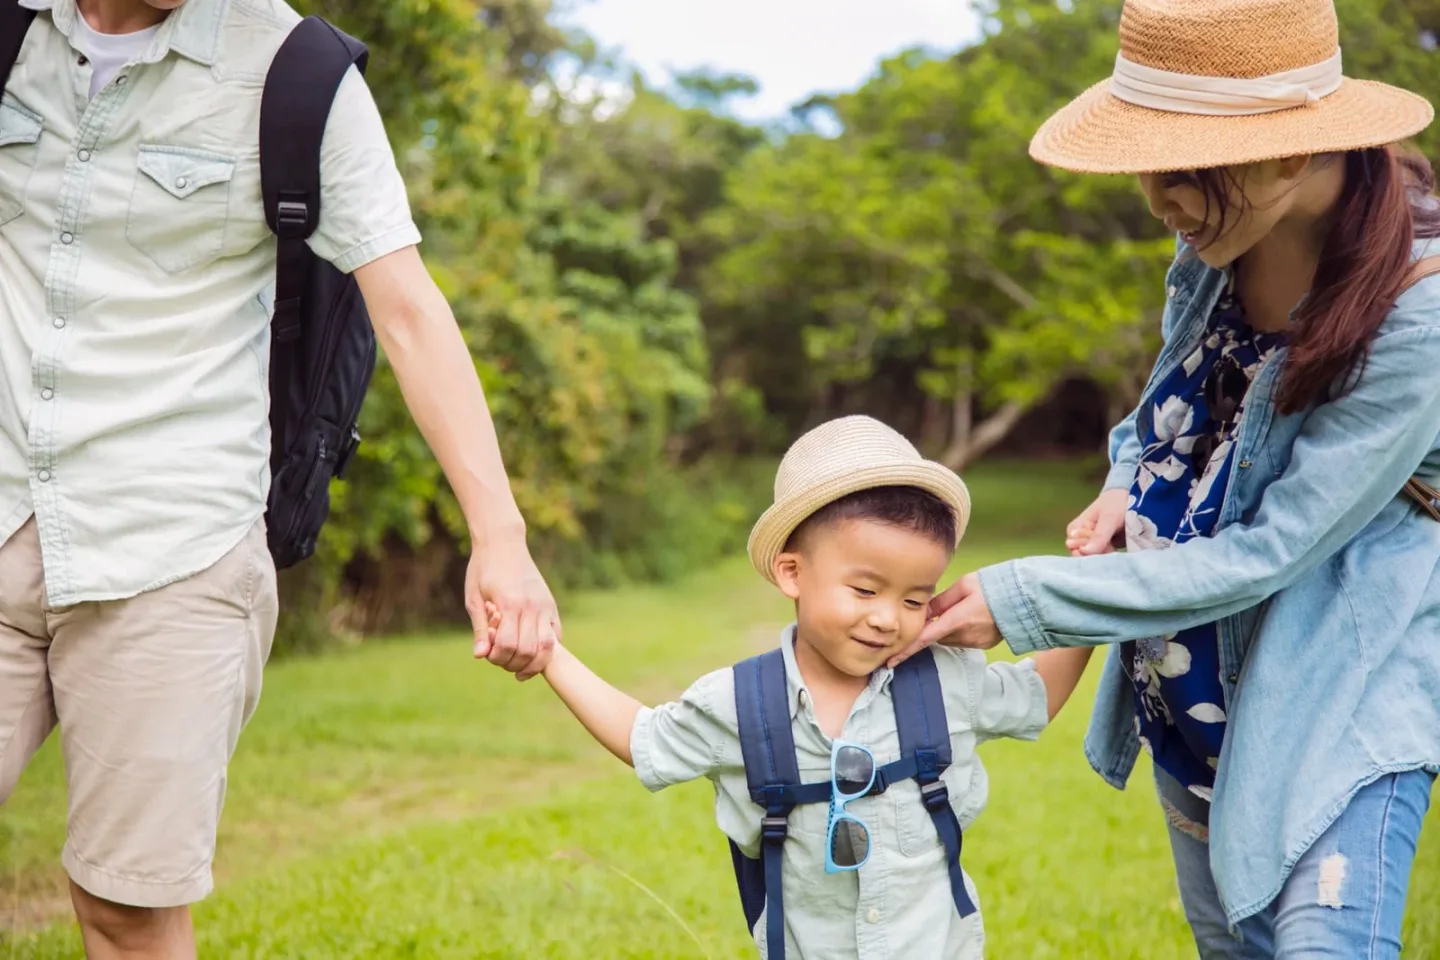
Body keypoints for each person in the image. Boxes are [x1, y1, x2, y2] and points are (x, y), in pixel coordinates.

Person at [0, 0, 559, 957]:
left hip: (171, 551)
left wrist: (498, 536)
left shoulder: (296, 74)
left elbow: (410, 311)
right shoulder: (15, 31)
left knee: (126, 911)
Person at [896, 0, 1440, 956]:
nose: (1158, 198)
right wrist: (1119, 481)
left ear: (1290, 152)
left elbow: (1272, 549)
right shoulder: (1210, 250)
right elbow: (1160, 413)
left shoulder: (1417, 319)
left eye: (1182, 166)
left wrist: (1033, 596)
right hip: (1184, 694)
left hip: (1332, 700)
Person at [483, 415, 1088, 959]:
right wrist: (550, 657)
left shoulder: (945, 680)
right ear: (792, 572)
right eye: (865, 590)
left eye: (914, 599)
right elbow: (644, 737)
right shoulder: (742, 705)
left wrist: (1097, 600)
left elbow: (1036, 697)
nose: (887, 618)